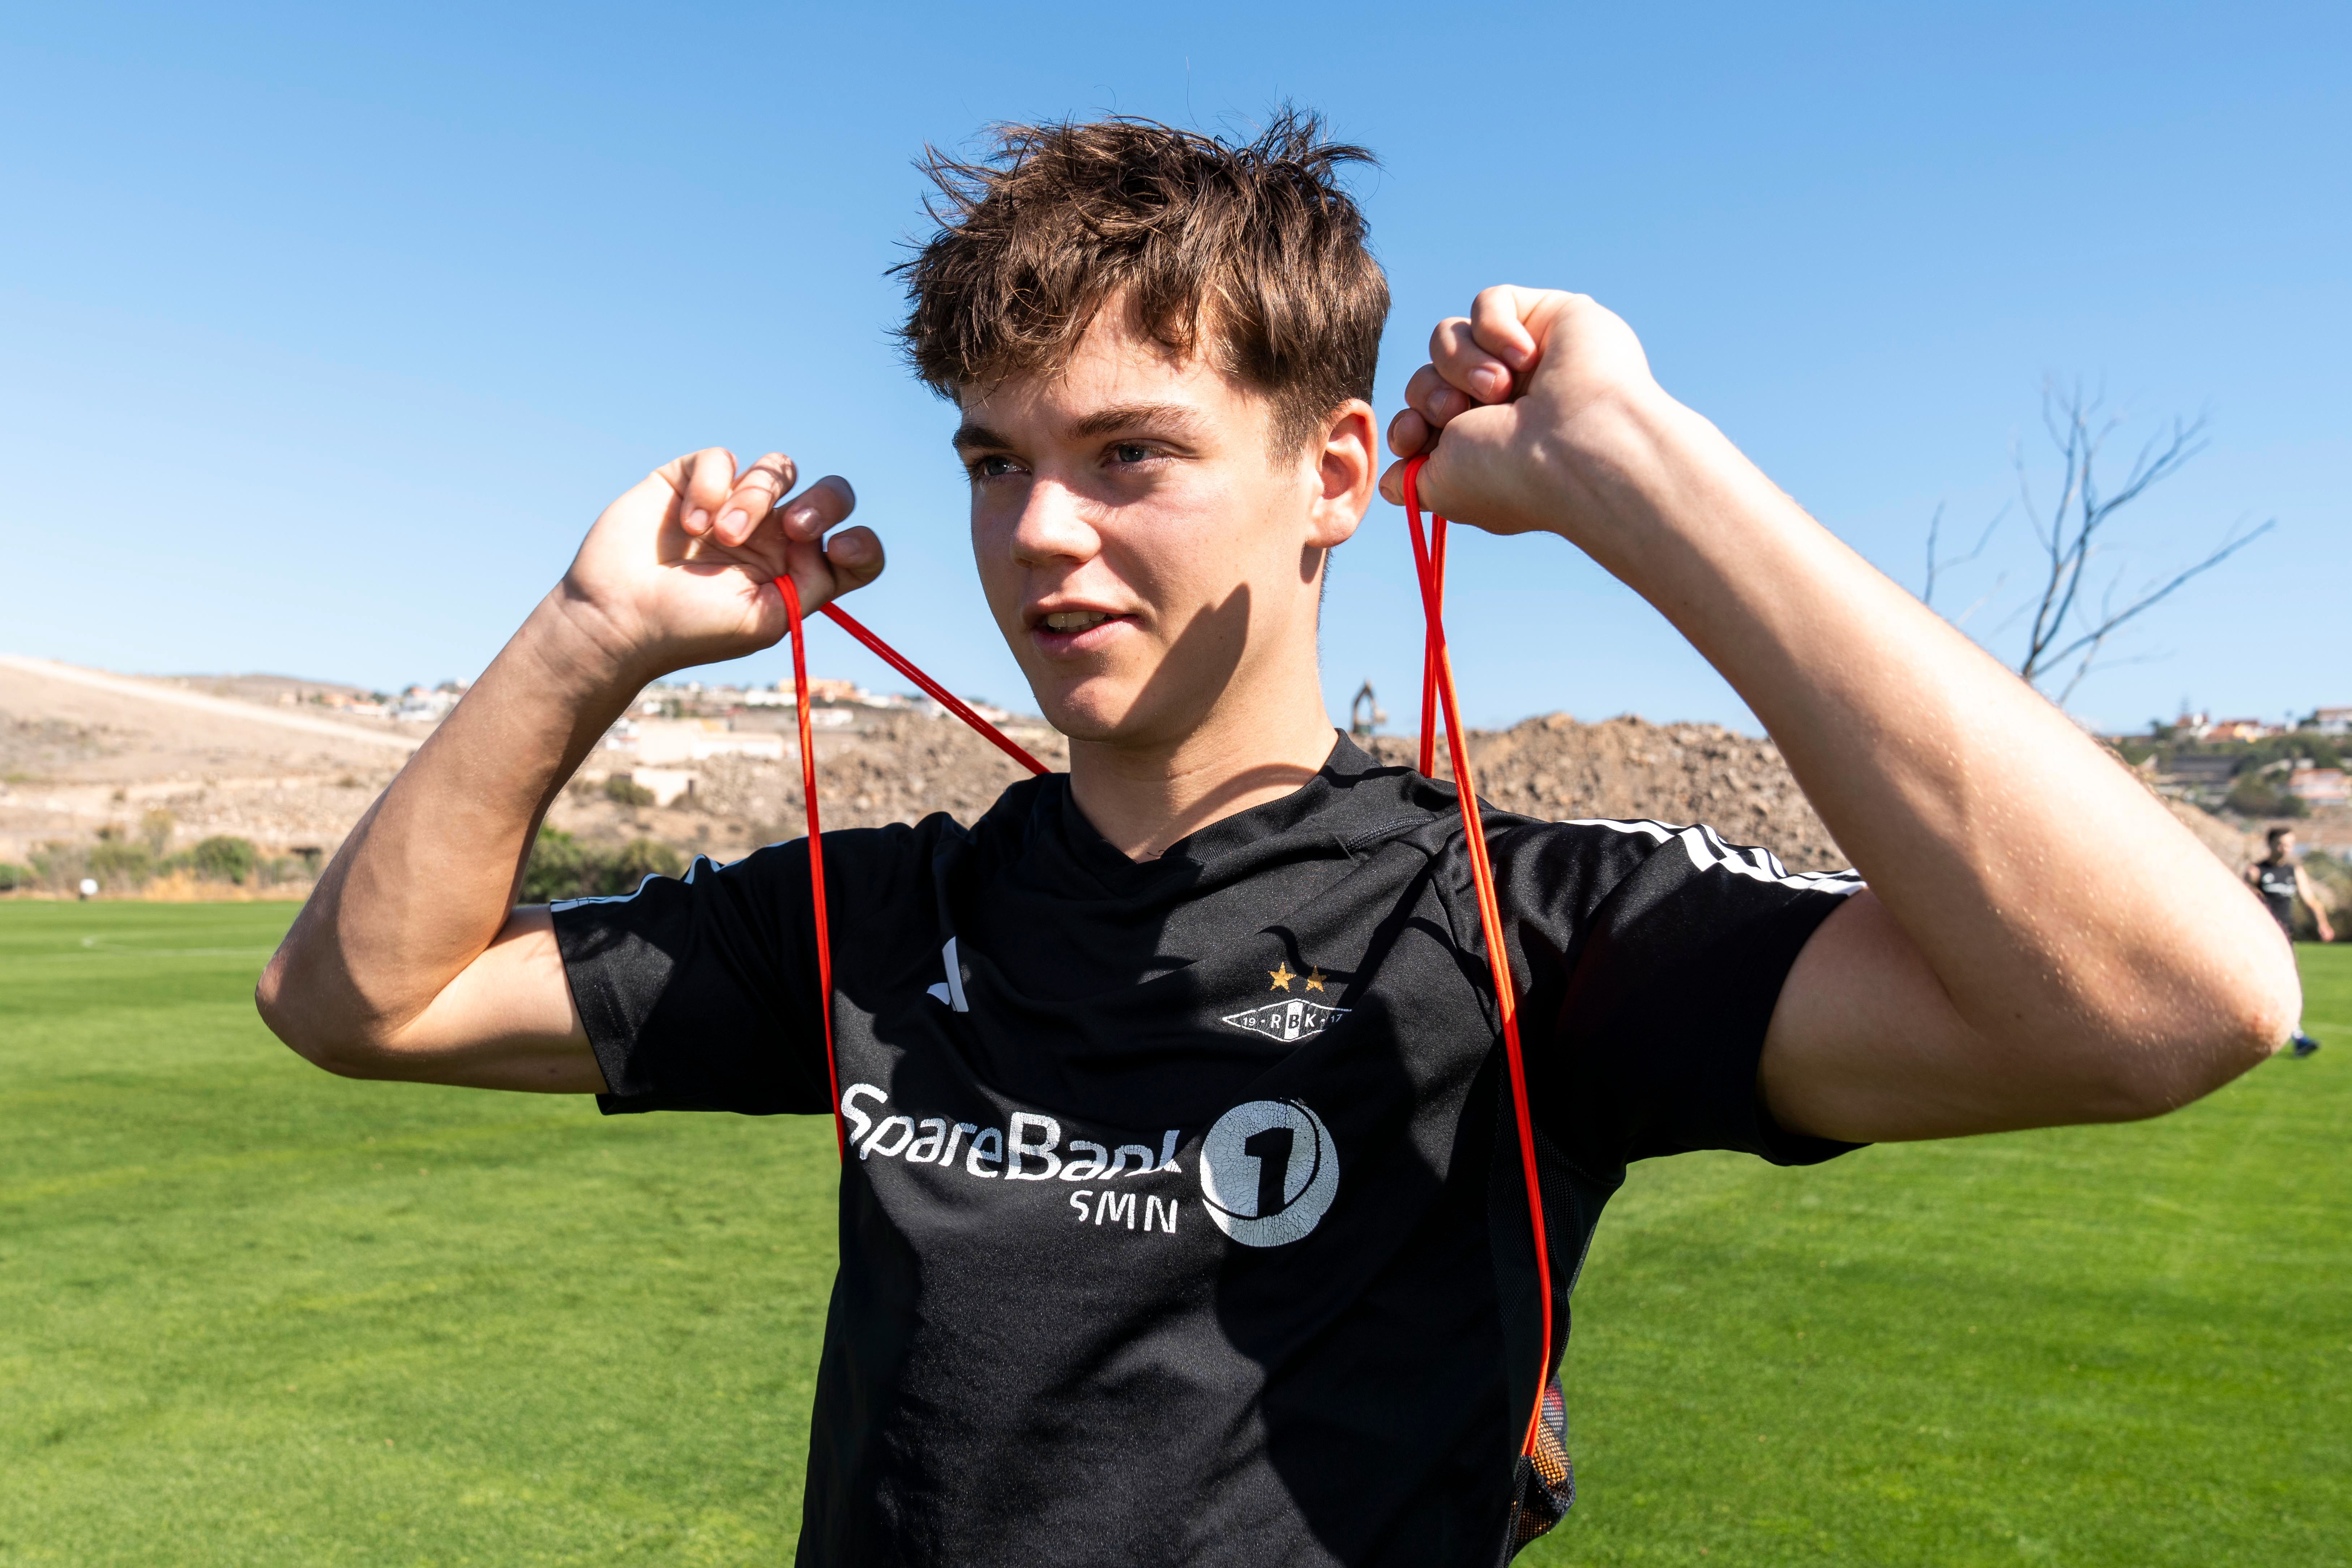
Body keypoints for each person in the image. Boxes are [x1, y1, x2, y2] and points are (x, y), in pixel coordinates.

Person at [256, 114, 2301, 1566]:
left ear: (1333, 475)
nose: (1036, 532)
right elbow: (359, 1000)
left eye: (1126, 452)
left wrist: (1636, 471)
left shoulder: (1521, 926)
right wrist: (589, 634)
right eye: (994, 459)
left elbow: (2171, 1001)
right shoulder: (889, 917)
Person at [2246, 824, 2332, 1056]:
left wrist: (2322, 924)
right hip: (2263, 938)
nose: (2286, 849)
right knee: (2273, 986)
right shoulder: (2256, 872)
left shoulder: (2294, 872)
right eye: (2281, 844)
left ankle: (2293, 1036)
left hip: (2286, 939)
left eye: (2290, 845)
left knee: (2286, 987)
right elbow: (2243, 902)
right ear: (2270, 844)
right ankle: (2296, 1037)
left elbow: (2310, 900)